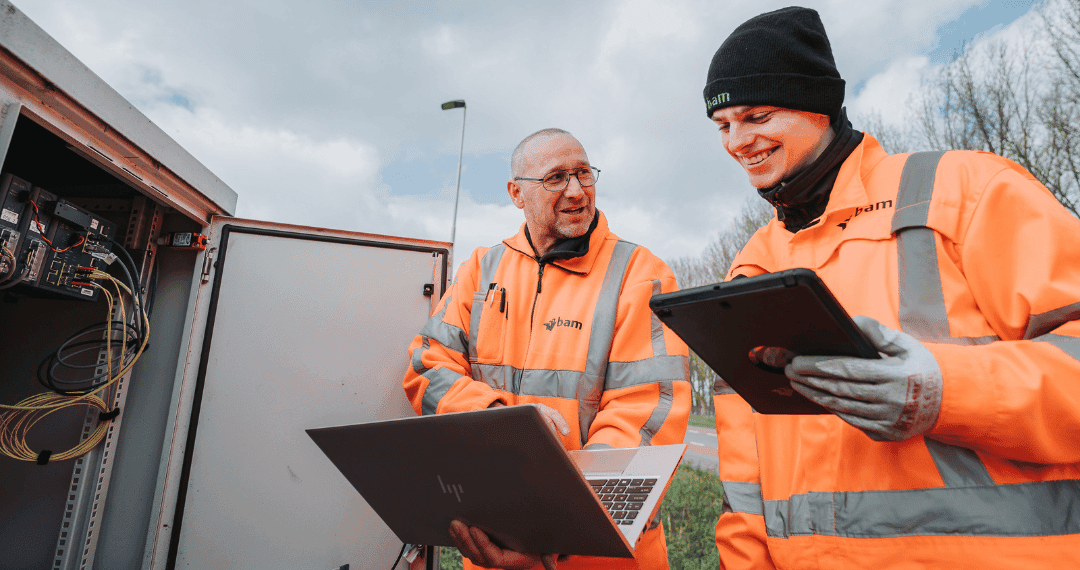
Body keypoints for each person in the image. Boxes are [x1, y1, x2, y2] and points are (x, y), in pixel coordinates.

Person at [701, 6, 1080, 569]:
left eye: (756, 115)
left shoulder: (965, 190)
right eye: (723, 125)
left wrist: (943, 391)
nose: (738, 141)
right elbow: (742, 467)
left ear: (818, 104)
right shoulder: (752, 264)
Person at [402, 128, 691, 570]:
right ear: (517, 193)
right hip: (494, 549)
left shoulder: (639, 274)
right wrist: (502, 416)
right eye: (556, 178)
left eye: (584, 174)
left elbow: (643, 421)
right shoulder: (481, 270)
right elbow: (427, 368)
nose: (576, 190)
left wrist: (551, 540)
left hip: (597, 559)